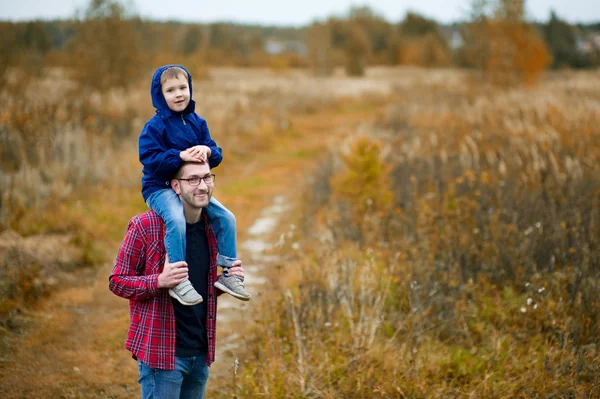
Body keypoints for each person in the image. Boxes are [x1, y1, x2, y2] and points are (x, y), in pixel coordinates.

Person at [110, 160, 245, 398]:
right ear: (176, 186)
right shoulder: (146, 226)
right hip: (162, 356)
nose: (202, 186)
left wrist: (225, 281)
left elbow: (198, 288)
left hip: (201, 352)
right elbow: (117, 281)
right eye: (192, 179)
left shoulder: (214, 228)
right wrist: (159, 281)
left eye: (207, 177)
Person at [139, 64, 250, 305]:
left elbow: (216, 154)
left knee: (227, 217)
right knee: (177, 219)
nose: (178, 94)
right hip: (160, 187)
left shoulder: (197, 122)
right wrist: (180, 156)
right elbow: (149, 158)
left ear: (190, 89)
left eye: (183, 87)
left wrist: (207, 149)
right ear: (160, 95)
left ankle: (229, 274)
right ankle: (179, 279)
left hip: (192, 186)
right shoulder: (154, 127)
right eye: (170, 90)